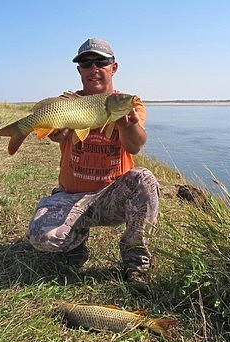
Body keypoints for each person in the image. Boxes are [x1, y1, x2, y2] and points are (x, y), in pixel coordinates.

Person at [26, 38, 160, 291]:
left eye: (101, 62)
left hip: (111, 197)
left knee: (145, 178)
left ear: (114, 67)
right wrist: (55, 133)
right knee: (40, 238)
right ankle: (75, 243)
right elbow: (55, 132)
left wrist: (126, 123)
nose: (93, 68)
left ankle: (135, 258)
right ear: (79, 71)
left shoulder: (129, 103)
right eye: (86, 64)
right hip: (72, 196)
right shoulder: (67, 104)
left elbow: (135, 145)